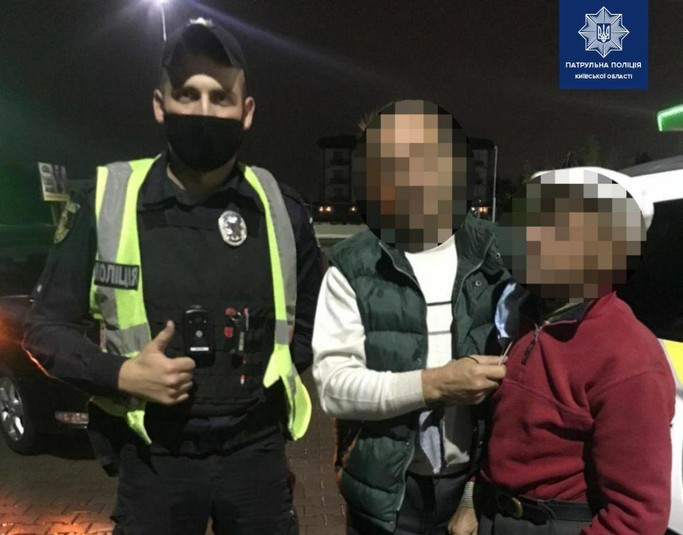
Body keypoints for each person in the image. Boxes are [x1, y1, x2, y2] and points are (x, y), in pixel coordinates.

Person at [23, 18, 322, 535]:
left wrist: (265, 389)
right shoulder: (105, 200)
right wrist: (121, 375)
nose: (204, 110)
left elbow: (316, 319)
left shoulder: (282, 208)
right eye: (188, 94)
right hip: (156, 458)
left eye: (220, 97)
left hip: (255, 456)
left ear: (246, 111)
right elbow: (44, 331)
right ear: (160, 104)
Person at [312, 99, 512, 535]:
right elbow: (333, 387)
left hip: (474, 492)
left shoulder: (497, 256)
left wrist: (472, 495)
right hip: (385, 494)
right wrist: (435, 384)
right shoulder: (352, 265)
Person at [476, 168, 675, 534]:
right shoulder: (520, 315)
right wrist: (471, 501)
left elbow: (636, 517)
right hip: (494, 512)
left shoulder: (628, 356)